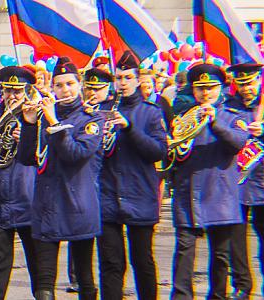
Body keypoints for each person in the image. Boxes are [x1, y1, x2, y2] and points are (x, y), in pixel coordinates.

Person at [17, 57, 103, 300]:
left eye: (69, 84)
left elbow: (75, 154)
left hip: (79, 204)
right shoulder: (44, 116)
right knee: (44, 283)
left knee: (85, 278)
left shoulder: (91, 119)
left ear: (79, 85)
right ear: (52, 88)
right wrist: (29, 123)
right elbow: (26, 158)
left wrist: (54, 122)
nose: (65, 90)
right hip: (47, 205)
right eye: (59, 85)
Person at [169, 63, 249, 299]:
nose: (206, 93)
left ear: (221, 88)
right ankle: (181, 295)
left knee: (220, 255)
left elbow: (237, 143)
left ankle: (218, 295)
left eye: (211, 87)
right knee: (184, 250)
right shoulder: (185, 116)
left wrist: (215, 123)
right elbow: (176, 156)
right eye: (200, 88)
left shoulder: (234, 116)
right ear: (193, 90)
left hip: (219, 192)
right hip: (189, 191)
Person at [97, 51, 167, 300]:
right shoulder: (104, 109)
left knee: (142, 261)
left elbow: (158, 151)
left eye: (127, 77)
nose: (122, 82)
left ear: (138, 80)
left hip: (139, 196)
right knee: (111, 264)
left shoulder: (151, 112)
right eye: (118, 78)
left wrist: (130, 128)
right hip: (108, 196)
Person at [0, 66, 39, 299]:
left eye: (17, 91)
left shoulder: (36, 115)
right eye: (7, 91)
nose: (11, 96)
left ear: (27, 90)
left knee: (37, 262)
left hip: (28, 198)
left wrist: (28, 135)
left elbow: (44, 154)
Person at [226, 62, 264, 298]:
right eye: (241, 83)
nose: (246, 88)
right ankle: (242, 284)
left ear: (259, 80)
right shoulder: (228, 108)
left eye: (250, 82)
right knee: (234, 238)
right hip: (235, 181)